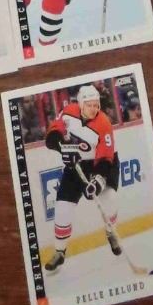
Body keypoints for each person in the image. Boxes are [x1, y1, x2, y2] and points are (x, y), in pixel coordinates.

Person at [44, 82, 123, 270]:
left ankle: (111, 232)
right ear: (80, 104)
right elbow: (52, 134)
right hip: (76, 164)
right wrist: (62, 148)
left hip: (102, 163)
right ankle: (60, 251)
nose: (94, 108)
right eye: (89, 105)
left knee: (110, 198)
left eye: (96, 105)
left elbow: (105, 158)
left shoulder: (104, 123)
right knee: (62, 208)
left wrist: (98, 181)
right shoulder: (68, 112)